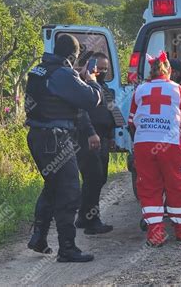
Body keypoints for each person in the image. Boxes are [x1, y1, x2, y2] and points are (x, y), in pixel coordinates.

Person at [25, 33, 101, 262]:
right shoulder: (63, 73)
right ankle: (67, 249)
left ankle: (38, 238)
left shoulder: (41, 69)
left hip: (38, 137)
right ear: (71, 55)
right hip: (55, 140)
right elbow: (90, 100)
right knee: (69, 191)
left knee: (52, 186)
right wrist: (92, 80)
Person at [129, 50, 181, 246]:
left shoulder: (139, 89)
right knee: (176, 185)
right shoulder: (177, 89)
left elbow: (131, 122)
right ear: (169, 70)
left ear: (151, 70)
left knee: (149, 188)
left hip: (143, 144)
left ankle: (155, 235)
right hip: (169, 144)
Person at [75, 52, 123, 234]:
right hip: (88, 140)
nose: (102, 71)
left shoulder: (103, 88)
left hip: (102, 139)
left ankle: (82, 216)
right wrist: (91, 133)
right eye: (99, 68)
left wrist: (111, 137)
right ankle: (91, 221)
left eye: (105, 69)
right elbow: (81, 114)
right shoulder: (84, 89)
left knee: (99, 179)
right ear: (90, 66)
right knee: (93, 179)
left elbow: (111, 114)